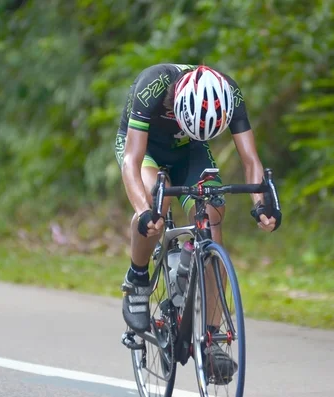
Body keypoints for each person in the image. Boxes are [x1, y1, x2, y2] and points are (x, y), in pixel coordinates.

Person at [114, 63, 281, 383]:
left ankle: (212, 335)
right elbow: (131, 161)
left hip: (189, 151)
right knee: (156, 204)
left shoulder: (229, 93)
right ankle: (137, 279)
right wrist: (144, 210)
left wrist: (262, 205)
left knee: (213, 216)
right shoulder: (152, 86)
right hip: (144, 148)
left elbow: (250, 159)